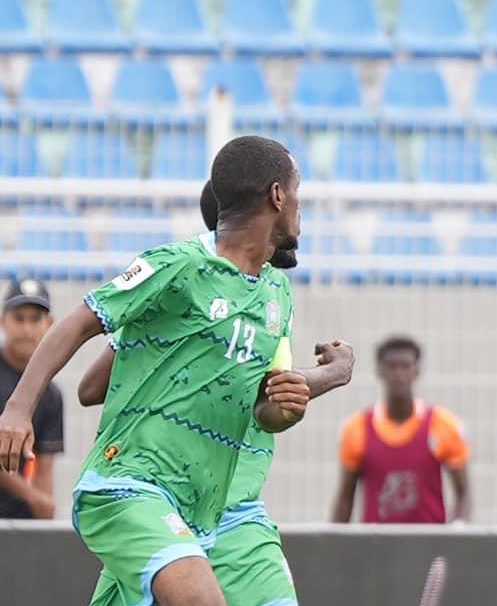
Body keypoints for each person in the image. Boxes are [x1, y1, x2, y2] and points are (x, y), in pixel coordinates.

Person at [0, 135, 311, 606]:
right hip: (129, 486)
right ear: (277, 195)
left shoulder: (276, 297)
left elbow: (262, 408)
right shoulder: (178, 265)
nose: (301, 205)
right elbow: (80, 324)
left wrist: (291, 403)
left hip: (204, 509)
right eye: (298, 190)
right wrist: (19, 408)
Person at [77, 180, 355, 606]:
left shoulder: (274, 297)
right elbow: (91, 388)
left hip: (233, 506)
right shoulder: (189, 288)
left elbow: (269, 398)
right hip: (165, 488)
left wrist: (319, 382)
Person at [332, 335, 471, 524]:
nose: (399, 374)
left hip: (429, 547)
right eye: (392, 366)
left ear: (417, 371)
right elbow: (345, 500)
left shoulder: (443, 425)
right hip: (376, 548)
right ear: (380, 371)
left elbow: (463, 494)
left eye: (406, 366)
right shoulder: (357, 429)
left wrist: (456, 533)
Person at [0, 278, 63, 519]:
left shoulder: (51, 394)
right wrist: (33, 497)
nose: (27, 329)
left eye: (35, 319)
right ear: (2, 322)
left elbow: (45, 468)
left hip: (18, 520)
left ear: (50, 324)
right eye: (19, 318)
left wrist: (43, 511)